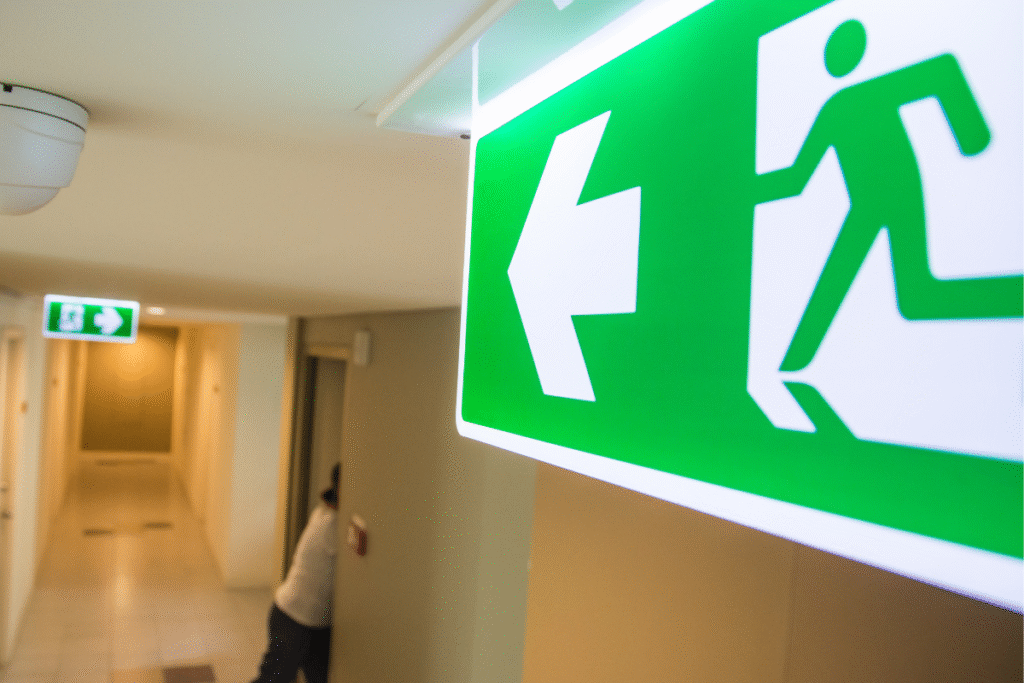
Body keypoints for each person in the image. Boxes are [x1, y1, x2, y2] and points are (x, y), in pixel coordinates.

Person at [758, 19, 1022, 373]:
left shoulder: (860, 97)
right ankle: (792, 363)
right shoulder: (835, 108)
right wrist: (748, 194)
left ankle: (792, 363)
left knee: (912, 295)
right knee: (915, 296)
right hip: (866, 204)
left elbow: (940, 72)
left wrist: (971, 134)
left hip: (899, 196)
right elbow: (797, 178)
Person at [251, 463, 339, 683]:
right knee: (273, 679)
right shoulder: (333, 525)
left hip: (312, 623)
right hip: (294, 621)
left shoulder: (322, 512)